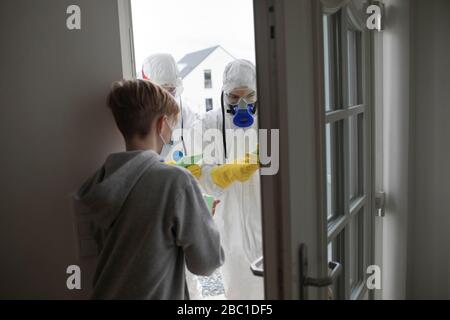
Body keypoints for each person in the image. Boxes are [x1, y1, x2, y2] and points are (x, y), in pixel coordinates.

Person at [73, 79, 224, 299]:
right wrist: (204, 219)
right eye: (172, 126)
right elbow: (206, 263)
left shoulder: (98, 181)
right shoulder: (176, 182)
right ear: (161, 124)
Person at [142, 53, 206, 299]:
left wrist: (196, 169)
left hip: (181, 199)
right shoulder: (140, 116)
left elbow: (198, 151)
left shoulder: (186, 113)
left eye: (170, 89)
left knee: (189, 279)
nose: (167, 96)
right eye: (161, 89)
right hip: (155, 206)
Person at [198, 59, 263, 299]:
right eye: (234, 97)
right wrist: (221, 175)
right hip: (229, 221)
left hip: (265, 219)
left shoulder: (272, 121)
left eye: (249, 95)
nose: (242, 103)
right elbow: (195, 173)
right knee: (237, 288)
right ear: (223, 94)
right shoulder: (208, 124)